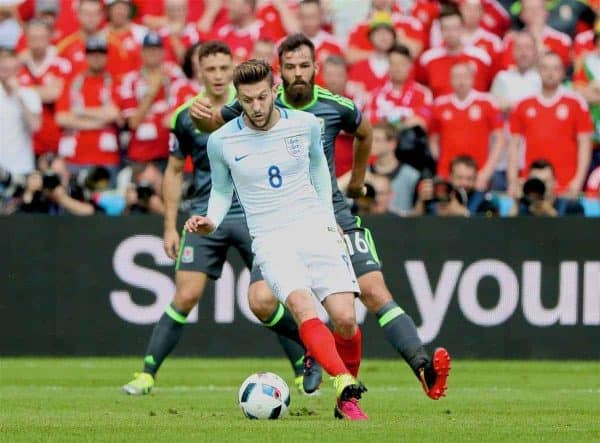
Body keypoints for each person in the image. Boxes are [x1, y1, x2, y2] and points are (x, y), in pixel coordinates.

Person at [190, 33, 451, 400]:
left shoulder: (334, 106)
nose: (298, 73)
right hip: (281, 221)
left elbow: (365, 133)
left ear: (316, 68)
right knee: (261, 301)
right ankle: (316, 347)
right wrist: (198, 117)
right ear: (281, 71)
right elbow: (215, 126)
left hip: (332, 215)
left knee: (373, 292)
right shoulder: (258, 101)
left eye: (304, 65)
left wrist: (357, 182)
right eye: (291, 66)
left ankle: (422, 366)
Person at [122, 42, 316, 396]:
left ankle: (305, 368)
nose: (218, 75)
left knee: (272, 296)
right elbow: (175, 170)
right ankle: (147, 373)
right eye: (210, 69)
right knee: (185, 294)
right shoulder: (184, 115)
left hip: (253, 212)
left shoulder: (253, 107)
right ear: (199, 71)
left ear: (233, 70)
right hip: (205, 212)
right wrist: (168, 225)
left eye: (224, 68)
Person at [185, 59, 368, 420]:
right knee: (303, 309)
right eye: (248, 100)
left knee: (346, 320)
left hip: (315, 227)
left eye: (262, 98)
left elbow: (318, 167)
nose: (256, 107)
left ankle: (343, 395)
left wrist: (330, 219)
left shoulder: (304, 125)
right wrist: (211, 220)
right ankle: (344, 383)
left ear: (274, 92)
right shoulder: (221, 140)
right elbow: (222, 191)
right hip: (270, 237)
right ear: (239, 97)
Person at [508, 51, 593, 197]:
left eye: (555, 68)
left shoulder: (576, 102)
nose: (550, 73)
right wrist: (512, 181)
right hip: (531, 183)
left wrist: (578, 180)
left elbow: (585, 144)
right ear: (539, 71)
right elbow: (514, 145)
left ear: (562, 72)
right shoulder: (523, 104)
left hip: (566, 184)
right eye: (546, 68)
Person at [54, 36, 122, 180]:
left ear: (106, 56)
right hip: (74, 158)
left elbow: (114, 114)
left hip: (105, 158)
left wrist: (79, 112)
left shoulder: (114, 82)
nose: (96, 57)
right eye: (92, 53)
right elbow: (61, 118)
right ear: (86, 56)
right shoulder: (72, 83)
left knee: (105, 200)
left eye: (100, 53)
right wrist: (99, 120)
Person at [429, 62, 505, 190]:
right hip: (447, 175)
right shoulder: (439, 104)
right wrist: (442, 165)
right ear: (450, 79)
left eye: (465, 77)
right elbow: (433, 139)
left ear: (472, 78)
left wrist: (486, 172)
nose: (461, 81)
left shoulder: (487, 102)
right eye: (457, 77)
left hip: (478, 173)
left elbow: (500, 139)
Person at [415, 5, 493, 97]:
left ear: (462, 28)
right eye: (446, 28)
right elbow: (421, 90)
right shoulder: (428, 59)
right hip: (440, 109)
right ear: (440, 31)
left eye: (455, 28)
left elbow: (491, 90)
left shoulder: (481, 58)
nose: (451, 33)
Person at [0, 47, 41, 179]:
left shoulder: (29, 95)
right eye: (5, 70)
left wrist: (19, 96)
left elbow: (35, 125)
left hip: (22, 167)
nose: (9, 74)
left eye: (13, 69)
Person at [510, 159, 585, 216]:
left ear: (555, 182)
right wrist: (516, 203)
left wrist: (550, 213)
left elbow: (576, 234)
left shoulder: (571, 207)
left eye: (545, 182)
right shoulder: (524, 208)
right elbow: (508, 232)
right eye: (537, 182)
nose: (540, 186)